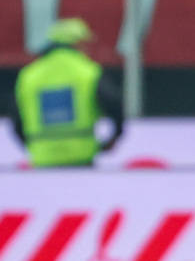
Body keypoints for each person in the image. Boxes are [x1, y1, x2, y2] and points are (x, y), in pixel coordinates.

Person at [12, 18, 123, 167]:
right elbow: (114, 104)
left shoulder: (28, 75)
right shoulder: (89, 72)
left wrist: (33, 145)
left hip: (42, 158)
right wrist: (115, 136)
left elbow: (17, 117)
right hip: (82, 155)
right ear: (78, 43)